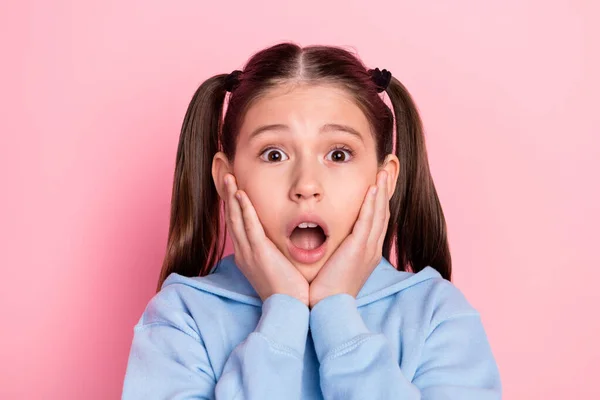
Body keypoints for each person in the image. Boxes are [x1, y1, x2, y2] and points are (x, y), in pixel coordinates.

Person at [121, 42, 502, 399]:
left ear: (384, 179)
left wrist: (336, 313)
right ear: (226, 178)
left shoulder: (437, 315)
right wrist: (282, 311)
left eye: (338, 154)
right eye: (273, 155)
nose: (306, 185)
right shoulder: (179, 318)